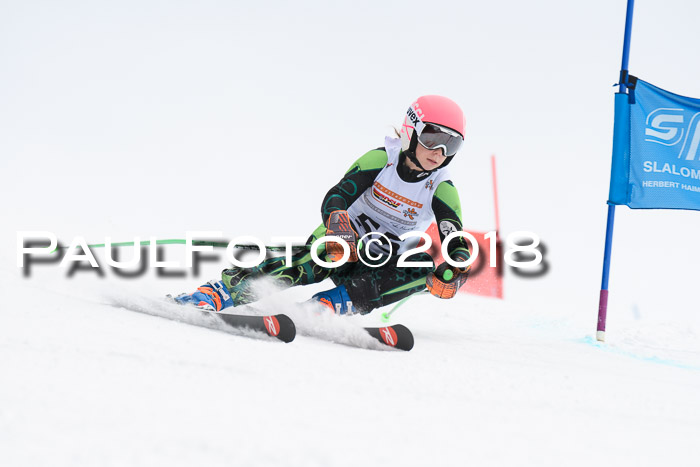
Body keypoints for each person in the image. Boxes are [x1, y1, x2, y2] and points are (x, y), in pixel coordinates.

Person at [174, 95, 472, 315]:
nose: (440, 151)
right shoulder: (382, 160)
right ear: (412, 130)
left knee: (421, 265)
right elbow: (337, 196)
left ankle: (327, 307)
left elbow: (454, 237)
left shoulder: (441, 188)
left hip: (374, 264)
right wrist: (339, 223)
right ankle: (223, 291)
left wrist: (457, 267)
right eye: (433, 138)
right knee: (322, 256)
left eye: (452, 144)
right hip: (341, 242)